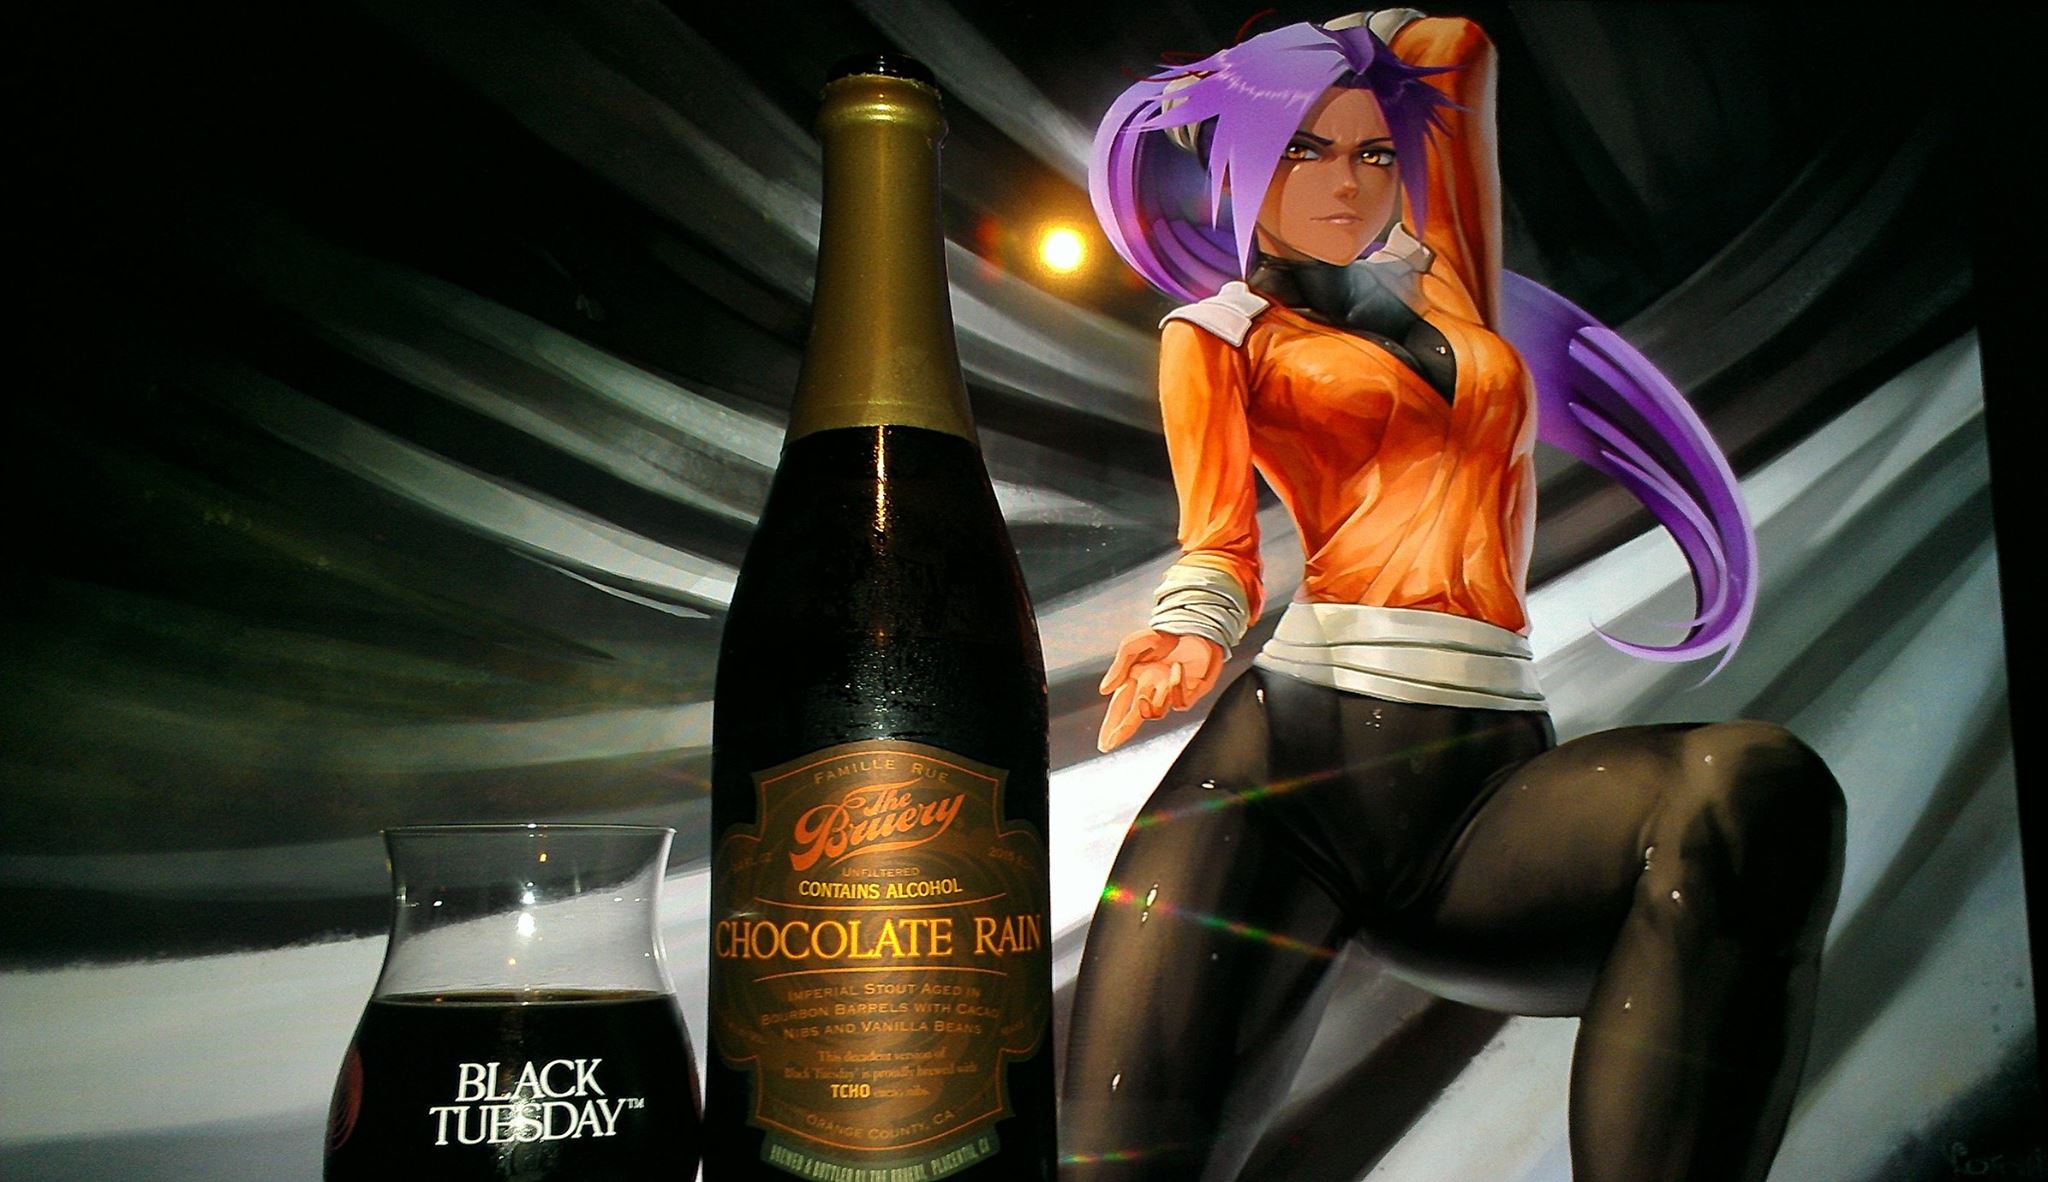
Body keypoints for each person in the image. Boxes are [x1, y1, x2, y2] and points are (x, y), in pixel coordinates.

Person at [1061, 12, 1846, 1182]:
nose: (1345, 181)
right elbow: (1218, 543)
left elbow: (1454, 45)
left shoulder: (1444, 282)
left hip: (1475, 786)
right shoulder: (1220, 336)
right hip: (1285, 781)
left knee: (1747, 790)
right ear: (1241, 172)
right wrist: (1187, 631)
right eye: (1301, 151)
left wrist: (1328, 51)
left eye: (1371, 152)